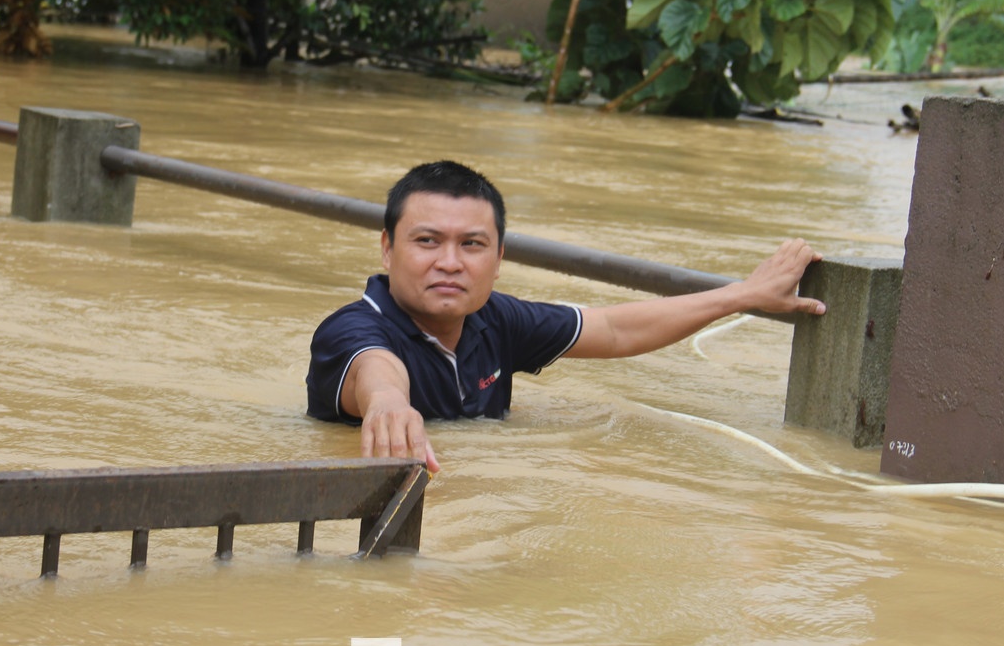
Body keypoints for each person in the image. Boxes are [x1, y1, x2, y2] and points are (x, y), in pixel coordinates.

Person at [306, 160, 825, 472]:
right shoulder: (352, 327)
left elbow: (615, 330)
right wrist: (388, 405)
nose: (449, 261)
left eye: (472, 244)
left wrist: (743, 294)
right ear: (386, 249)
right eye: (427, 241)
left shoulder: (495, 319)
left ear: (499, 257)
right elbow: (374, 371)